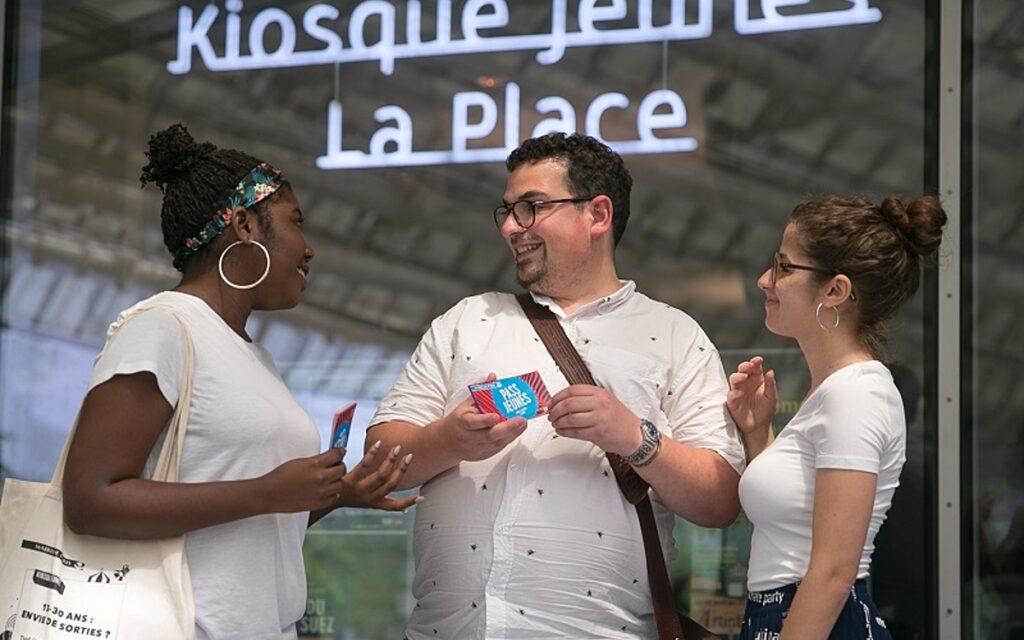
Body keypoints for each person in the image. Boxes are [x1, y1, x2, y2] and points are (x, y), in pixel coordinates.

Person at [368, 132, 745, 638]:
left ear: (598, 215)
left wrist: (635, 436)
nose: (510, 228)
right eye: (505, 211)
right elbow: (379, 460)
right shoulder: (467, 320)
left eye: (531, 207)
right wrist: (449, 440)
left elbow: (721, 500)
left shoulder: (675, 335)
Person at [62, 123, 419, 640]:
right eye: (295, 222)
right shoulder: (162, 327)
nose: (310, 248)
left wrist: (333, 495)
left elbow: (249, 527)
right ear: (245, 224)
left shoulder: (253, 357)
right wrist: (267, 491)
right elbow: (90, 501)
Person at [726, 195, 947, 639]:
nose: (764, 280)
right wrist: (757, 433)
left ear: (836, 291)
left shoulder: (856, 393)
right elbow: (798, 526)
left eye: (784, 266)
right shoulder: (834, 391)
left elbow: (832, 572)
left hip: (817, 620)